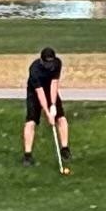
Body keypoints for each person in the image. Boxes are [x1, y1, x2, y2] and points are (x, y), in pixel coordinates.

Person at [20, 42, 69, 172]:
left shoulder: (57, 63)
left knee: (61, 118)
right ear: (41, 61)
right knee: (31, 121)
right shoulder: (34, 69)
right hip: (35, 92)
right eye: (47, 64)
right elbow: (40, 93)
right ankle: (27, 155)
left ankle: (64, 149)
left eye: (51, 64)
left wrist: (53, 106)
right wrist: (47, 113)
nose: (49, 66)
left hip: (49, 89)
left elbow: (54, 84)